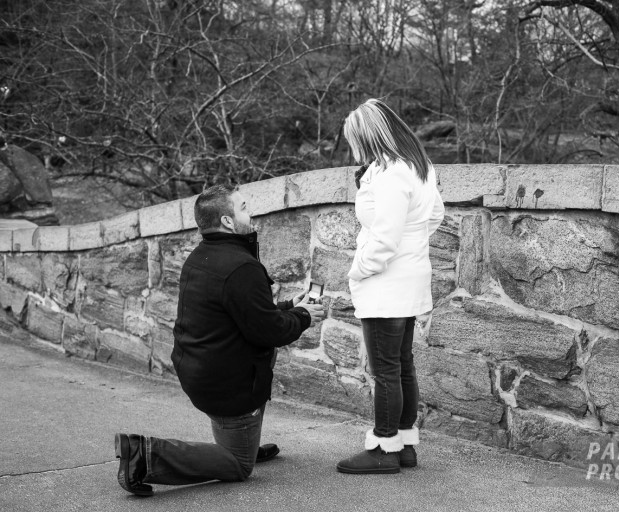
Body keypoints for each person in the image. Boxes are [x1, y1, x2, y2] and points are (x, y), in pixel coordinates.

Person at [114, 184, 325, 496]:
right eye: (242, 207)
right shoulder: (241, 267)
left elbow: (247, 315)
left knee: (257, 368)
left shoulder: (201, 257)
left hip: (203, 371)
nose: (249, 212)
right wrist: (305, 317)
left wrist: (292, 307)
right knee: (239, 466)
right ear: (227, 221)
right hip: (227, 382)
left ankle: (241, 445)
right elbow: (270, 332)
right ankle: (144, 455)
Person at [336, 99, 445, 474]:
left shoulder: (391, 174)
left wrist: (359, 270)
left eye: (355, 140)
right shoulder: (420, 167)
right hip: (408, 277)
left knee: (385, 370)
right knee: (401, 366)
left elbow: (384, 238)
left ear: (368, 136)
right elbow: (435, 215)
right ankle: (405, 445)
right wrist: (413, 244)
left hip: (385, 282)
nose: (355, 149)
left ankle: (384, 449)